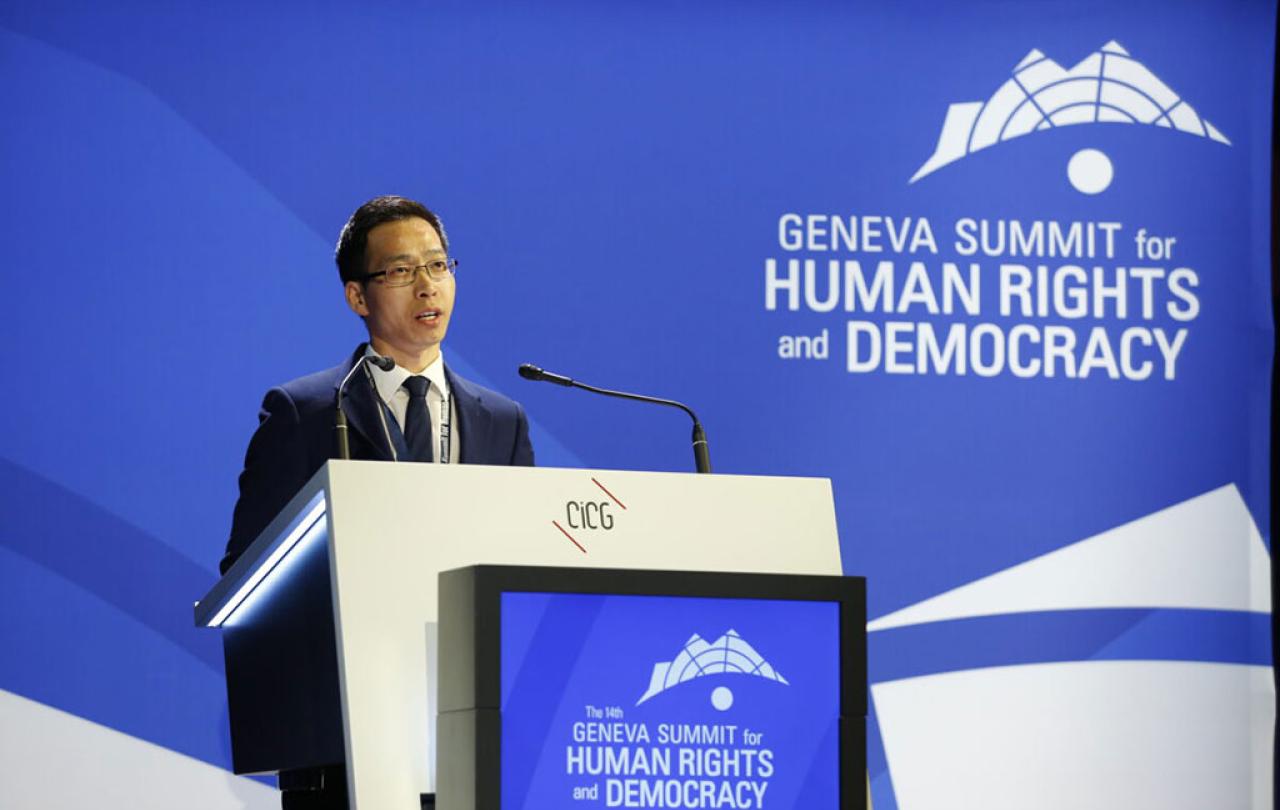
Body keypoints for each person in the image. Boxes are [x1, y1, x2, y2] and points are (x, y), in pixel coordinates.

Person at [220, 195, 534, 808]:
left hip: (476, 741)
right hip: (348, 748)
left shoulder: (503, 421)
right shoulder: (306, 412)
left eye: (438, 266)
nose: (426, 286)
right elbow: (245, 575)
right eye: (400, 271)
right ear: (358, 297)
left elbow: (527, 564)